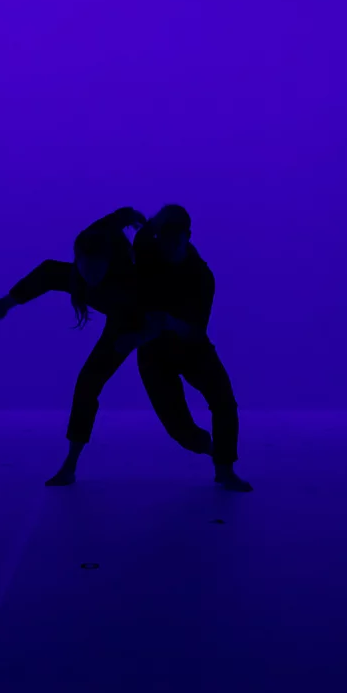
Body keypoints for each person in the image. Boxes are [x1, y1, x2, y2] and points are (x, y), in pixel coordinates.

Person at [0, 208, 165, 486]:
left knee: (92, 380)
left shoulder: (131, 280)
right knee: (86, 383)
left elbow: (158, 315)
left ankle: (71, 464)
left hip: (129, 318)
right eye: (86, 267)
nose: (92, 275)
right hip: (111, 299)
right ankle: (70, 465)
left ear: (109, 262)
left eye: (97, 268)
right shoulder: (83, 253)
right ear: (78, 261)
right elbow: (121, 215)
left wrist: (139, 337)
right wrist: (134, 217)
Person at [133, 205, 251, 491]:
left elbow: (197, 330)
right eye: (165, 239)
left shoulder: (202, 276)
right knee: (180, 431)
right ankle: (210, 448)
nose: (170, 247)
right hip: (153, 353)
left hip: (192, 348)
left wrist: (170, 322)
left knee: (224, 402)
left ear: (188, 236)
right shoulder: (148, 254)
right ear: (159, 236)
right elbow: (144, 234)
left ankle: (225, 469)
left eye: (177, 240)